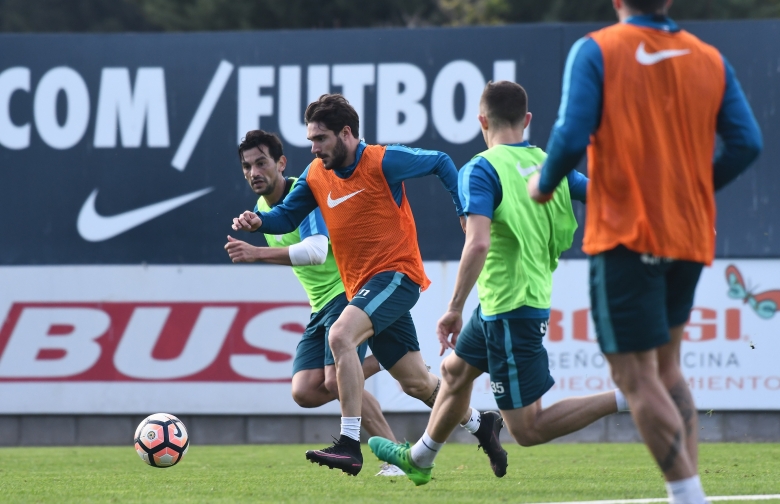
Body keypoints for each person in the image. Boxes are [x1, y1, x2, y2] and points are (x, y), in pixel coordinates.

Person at [527, 1, 763, 503]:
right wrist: (692, 191)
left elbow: (571, 134)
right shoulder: (708, 57)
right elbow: (747, 143)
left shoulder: (597, 50)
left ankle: (690, 497)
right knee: (667, 368)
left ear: (618, 1)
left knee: (633, 375)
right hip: (689, 234)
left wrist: (544, 184)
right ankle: (687, 493)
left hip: (628, 235)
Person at [231, 94, 506, 477]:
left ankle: (349, 443)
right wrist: (260, 223)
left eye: (321, 138)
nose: (314, 148)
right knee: (415, 382)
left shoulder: (382, 160)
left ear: (346, 133)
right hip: (363, 286)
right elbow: (285, 216)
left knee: (341, 335)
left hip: (397, 275)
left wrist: (464, 211)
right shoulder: (315, 174)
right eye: (311, 139)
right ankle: (481, 424)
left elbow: (441, 162)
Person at [369, 81, 628, 486]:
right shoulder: (550, 164)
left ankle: (632, 395)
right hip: (501, 305)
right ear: (527, 120)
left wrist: (454, 307)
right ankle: (420, 458)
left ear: (482, 121)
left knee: (528, 428)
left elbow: (477, 243)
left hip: (510, 309)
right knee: (453, 372)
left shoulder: (481, 168)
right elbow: (608, 196)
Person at [224, 129, 403, 476]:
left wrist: (257, 253)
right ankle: (387, 359)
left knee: (336, 382)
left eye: (261, 163)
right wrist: (258, 249)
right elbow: (295, 255)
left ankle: (394, 457)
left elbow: (316, 252)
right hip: (319, 305)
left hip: (345, 291)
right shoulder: (261, 210)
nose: (254, 172)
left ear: (281, 163)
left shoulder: (303, 193)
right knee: (305, 391)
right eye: (247, 166)